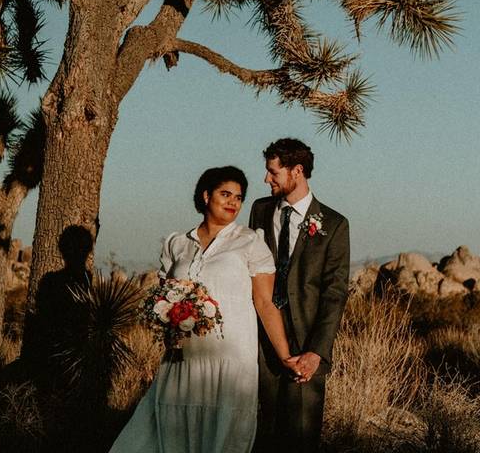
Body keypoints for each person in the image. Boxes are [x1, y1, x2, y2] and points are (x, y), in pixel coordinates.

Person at [110, 166, 303, 453]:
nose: (233, 203)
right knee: (158, 433)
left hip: (230, 361)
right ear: (205, 195)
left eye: (238, 197)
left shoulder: (250, 241)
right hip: (183, 358)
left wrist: (285, 355)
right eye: (225, 194)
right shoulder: (177, 243)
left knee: (221, 437)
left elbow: (264, 303)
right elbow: (166, 296)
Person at [249, 138, 351, 453]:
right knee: (262, 434)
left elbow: (335, 292)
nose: (266, 179)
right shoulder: (260, 210)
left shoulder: (334, 225)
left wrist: (316, 352)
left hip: (307, 345)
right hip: (263, 340)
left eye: (273, 172)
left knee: (301, 439)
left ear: (297, 171)